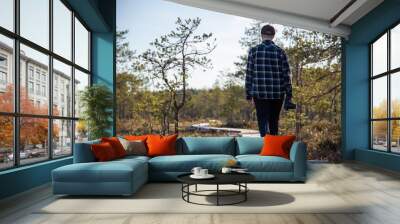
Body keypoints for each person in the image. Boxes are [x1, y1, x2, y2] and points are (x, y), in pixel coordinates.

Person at [245, 24, 294, 137]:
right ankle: (273, 149)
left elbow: (249, 74)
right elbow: (287, 75)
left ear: (262, 35)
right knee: (274, 122)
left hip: (259, 93)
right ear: (273, 36)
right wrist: (289, 95)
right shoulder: (280, 52)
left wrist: (248, 94)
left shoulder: (254, 51)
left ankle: (266, 143)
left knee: (262, 121)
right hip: (277, 94)